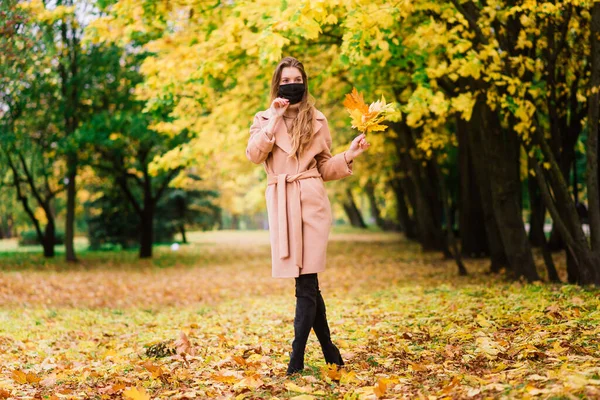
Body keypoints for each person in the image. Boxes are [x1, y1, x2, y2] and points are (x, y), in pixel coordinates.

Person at [245, 56, 370, 375]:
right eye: (284, 80)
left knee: (307, 281)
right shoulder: (262, 117)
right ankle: (330, 350)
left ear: (304, 82)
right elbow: (254, 155)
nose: (291, 84)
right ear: (277, 84)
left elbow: (324, 168)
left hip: (311, 202)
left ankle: (295, 358)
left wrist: (349, 154)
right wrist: (275, 118)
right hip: (282, 203)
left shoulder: (317, 119)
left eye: (295, 79)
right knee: (308, 286)